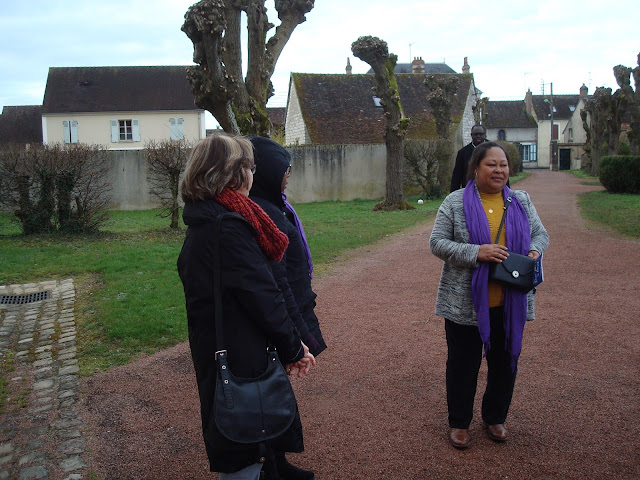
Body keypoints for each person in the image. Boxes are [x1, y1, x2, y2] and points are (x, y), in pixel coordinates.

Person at [177, 134, 316, 479]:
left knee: (249, 432)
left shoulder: (210, 219)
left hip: (226, 342)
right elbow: (263, 295)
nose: (254, 174)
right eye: (250, 166)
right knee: (243, 438)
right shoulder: (227, 227)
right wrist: (293, 347)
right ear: (235, 173)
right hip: (238, 349)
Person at [430, 141, 549, 450]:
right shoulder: (455, 203)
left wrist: (535, 249)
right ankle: (459, 423)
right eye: (491, 164)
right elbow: (437, 243)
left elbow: (540, 233)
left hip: (510, 302)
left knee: (505, 362)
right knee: (463, 365)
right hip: (465, 303)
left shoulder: (520, 200)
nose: (499, 170)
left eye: (504, 165)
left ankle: (494, 417)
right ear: (475, 168)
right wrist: (476, 252)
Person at [249, 136, 326, 480]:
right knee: (270, 394)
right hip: (284, 308)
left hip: (294, 301)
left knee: (277, 390)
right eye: (284, 168)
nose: (289, 174)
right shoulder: (264, 211)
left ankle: (277, 461)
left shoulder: (275, 205)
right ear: (267, 171)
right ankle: (269, 467)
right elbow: (275, 280)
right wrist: (294, 331)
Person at [450, 124, 486, 192]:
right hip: (469, 190)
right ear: (471, 135)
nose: (478, 136)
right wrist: (453, 194)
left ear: (484, 134)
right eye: (476, 134)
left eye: (480, 134)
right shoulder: (463, 153)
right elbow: (457, 175)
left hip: (489, 189)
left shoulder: (494, 150)